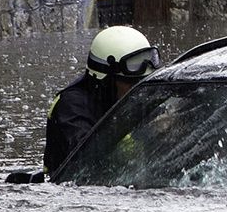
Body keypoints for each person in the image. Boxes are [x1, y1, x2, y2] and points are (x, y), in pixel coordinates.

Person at [43, 25, 161, 176]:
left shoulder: (141, 99)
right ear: (106, 82)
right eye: (130, 82)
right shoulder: (72, 104)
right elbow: (85, 157)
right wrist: (135, 119)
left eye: (143, 81)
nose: (137, 88)